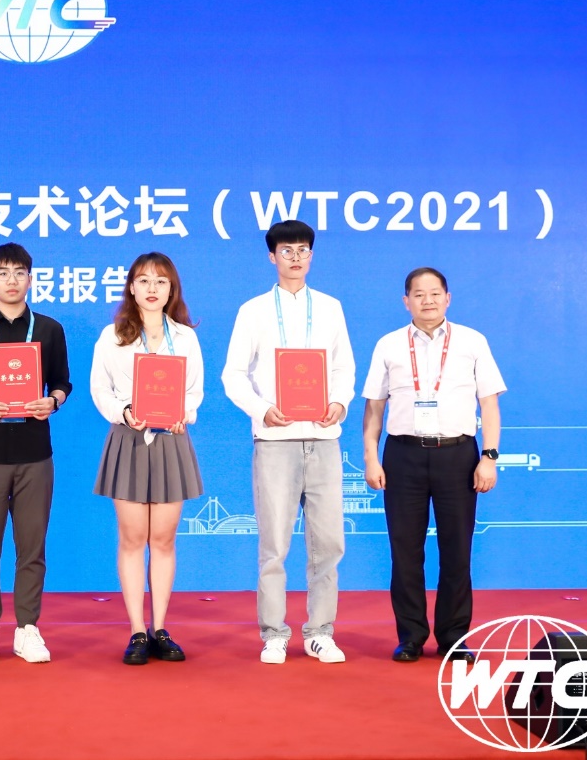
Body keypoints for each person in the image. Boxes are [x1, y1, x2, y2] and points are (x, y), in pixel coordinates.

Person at [220, 220, 355, 665]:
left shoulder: (331, 307)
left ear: (312, 256)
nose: (295, 258)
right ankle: (274, 633)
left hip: (323, 438)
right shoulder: (254, 310)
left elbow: (344, 367)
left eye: (303, 250)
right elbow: (233, 374)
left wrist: (339, 402)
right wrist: (262, 409)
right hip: (276, 439)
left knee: (329, 543)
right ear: (271, 257)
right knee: (274, 544)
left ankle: (320, 632)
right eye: (286, 250)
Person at [362, 267, 505, 663]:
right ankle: (410, 637)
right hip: (403, 455)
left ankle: (454, 637)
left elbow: (489, 405)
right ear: (406, 301)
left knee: (456, 550)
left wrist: (489, 457)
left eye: (435, 293)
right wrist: (371, 456)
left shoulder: (472, 341)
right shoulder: (389, 344)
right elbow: (374, 408)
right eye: (419, 294)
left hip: (457, 455)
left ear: (448, 298)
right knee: (405, 551)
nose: (428, 300)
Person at [0, 243, 72, 664]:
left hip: (35, 453)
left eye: (19, 272)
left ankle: (27, 628)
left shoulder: (49, 329)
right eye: (3, 273)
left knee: (31, 547)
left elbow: (63, 382)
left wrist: (52, 401)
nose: (12, 280)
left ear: (30, 278)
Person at [90, 252, 204, 665]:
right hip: (129, 440)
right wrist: (124, 412)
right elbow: (100, 389)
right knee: (133, 538)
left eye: (160, 281)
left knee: (164, 539)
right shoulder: (112, 336)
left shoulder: (185, 337)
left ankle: (160, 628)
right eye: (143, 280)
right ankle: (137, 631)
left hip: (171, 441)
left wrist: (183, 414)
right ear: (131, 288)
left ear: (172, 289)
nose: (152, 289)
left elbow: (194, 392)